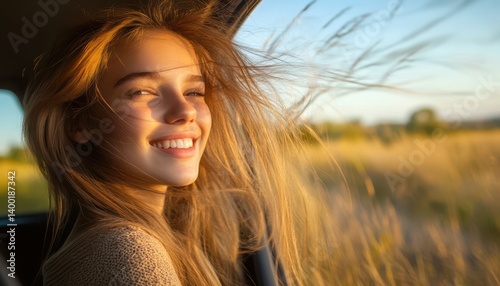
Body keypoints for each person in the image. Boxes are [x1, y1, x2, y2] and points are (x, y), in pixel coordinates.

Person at [23, 0, 333, 285]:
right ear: (81, 124)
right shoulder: (130, 255)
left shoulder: (116, 240)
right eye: (141, 92)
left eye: (194, 92)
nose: (185, 111)